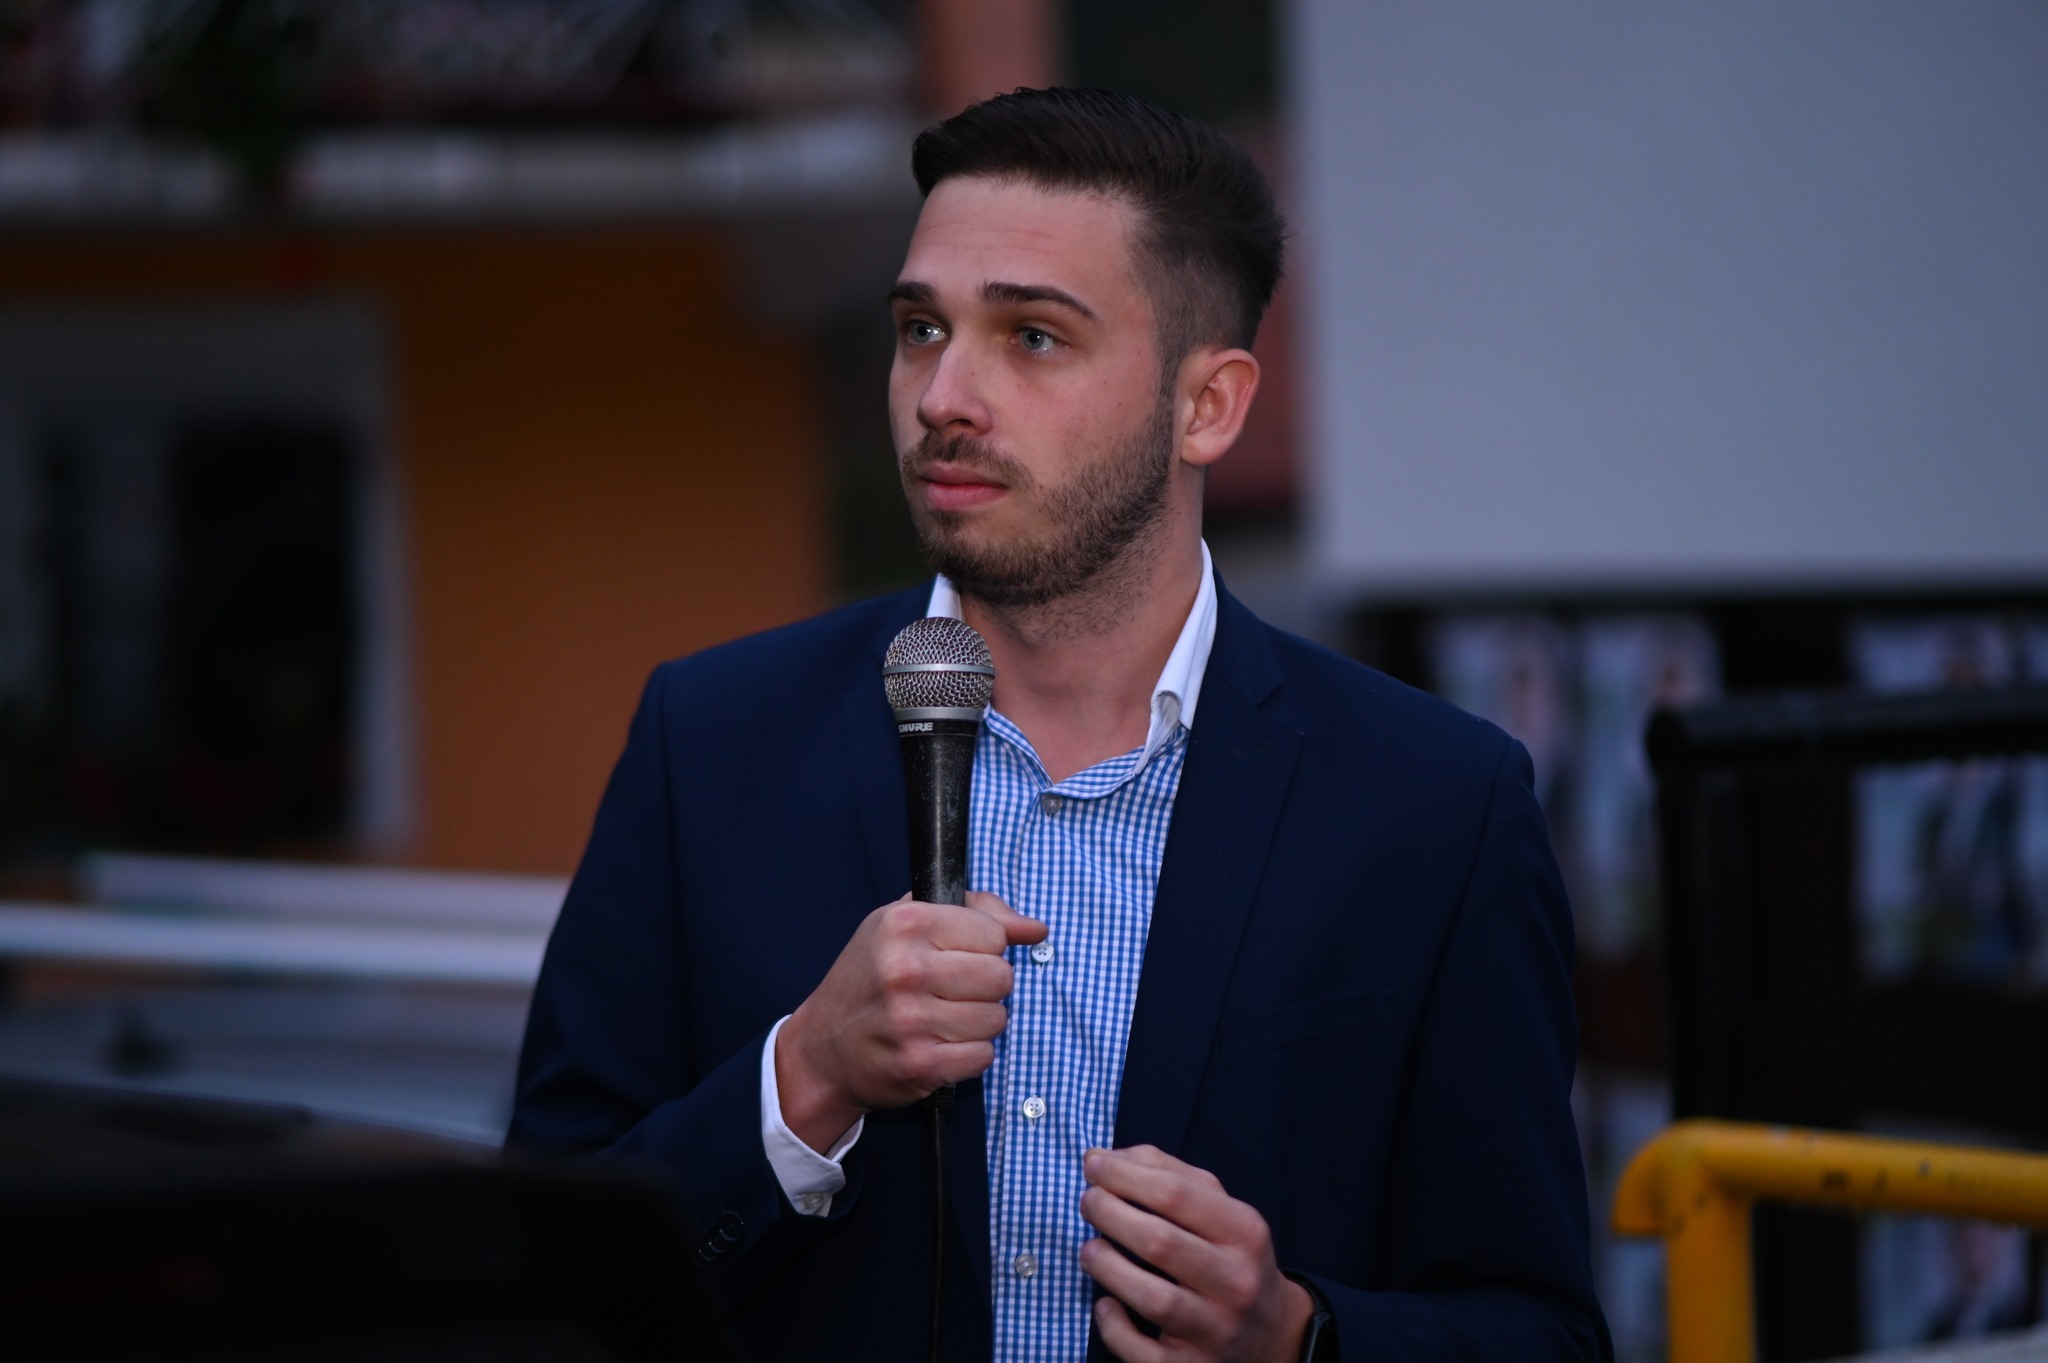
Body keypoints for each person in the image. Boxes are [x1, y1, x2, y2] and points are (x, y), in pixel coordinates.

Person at [509, 87, 1609, 1363]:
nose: (942, 395)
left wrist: (1294, 1338)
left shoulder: (1434, 806)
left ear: (1207, 405)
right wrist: (802, 1079)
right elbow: (533, 1273)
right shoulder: (709, 744)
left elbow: (1536, 1330)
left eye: (1031, 336)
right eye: (920, 329)